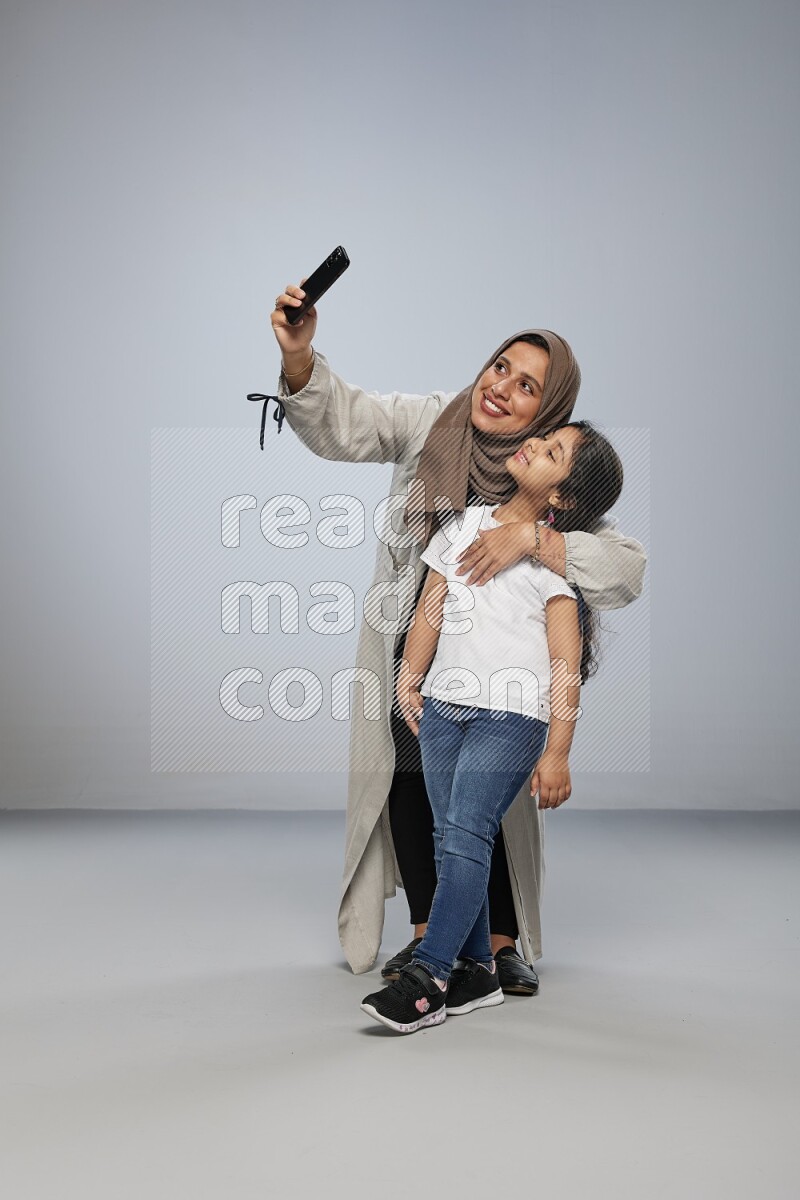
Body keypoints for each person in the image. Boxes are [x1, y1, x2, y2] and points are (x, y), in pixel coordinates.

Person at [268, 281, 646, 981]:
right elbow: (345, 422)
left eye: (527, 385)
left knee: (484, 799)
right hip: (413, 649)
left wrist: (533, 540)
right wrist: (299, 356)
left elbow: (624, 573)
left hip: (500, 672)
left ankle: (496, 946)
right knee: (412, 782)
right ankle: (426, 932)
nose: (500, 387)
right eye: (500, 365)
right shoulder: (432, 424)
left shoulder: (551, 480)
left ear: (549, 410)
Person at [360, 420, 623, 1032]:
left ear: (562, 498)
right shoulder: (461, 527)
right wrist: (408, 678)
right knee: (451, 836)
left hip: (513, 718)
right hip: (444, 712)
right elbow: (430, 609)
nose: (532, 444)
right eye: (544, 438)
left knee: (465, 834)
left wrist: (557, 751)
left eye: (552, 452)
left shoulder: (556, 560)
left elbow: (565, 663)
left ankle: (429, 976)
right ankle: (478, 968)